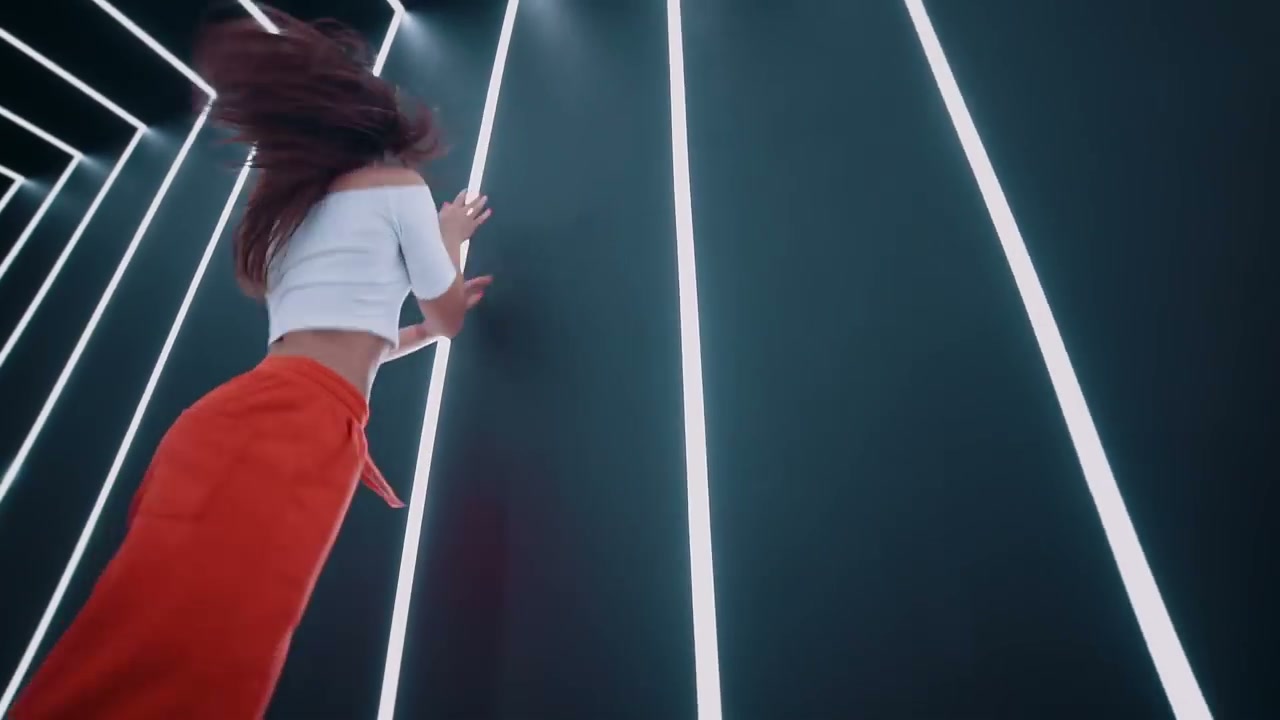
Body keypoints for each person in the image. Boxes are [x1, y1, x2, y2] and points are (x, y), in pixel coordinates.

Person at [9, 5, 489, 718]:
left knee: (137, 647)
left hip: (240, 420)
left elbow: (349, 342)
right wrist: (449, 237)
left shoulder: (291, 219)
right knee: (199, 663)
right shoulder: (397, 188)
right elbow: (448, 318)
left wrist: (411, 330)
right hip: (291, 433)